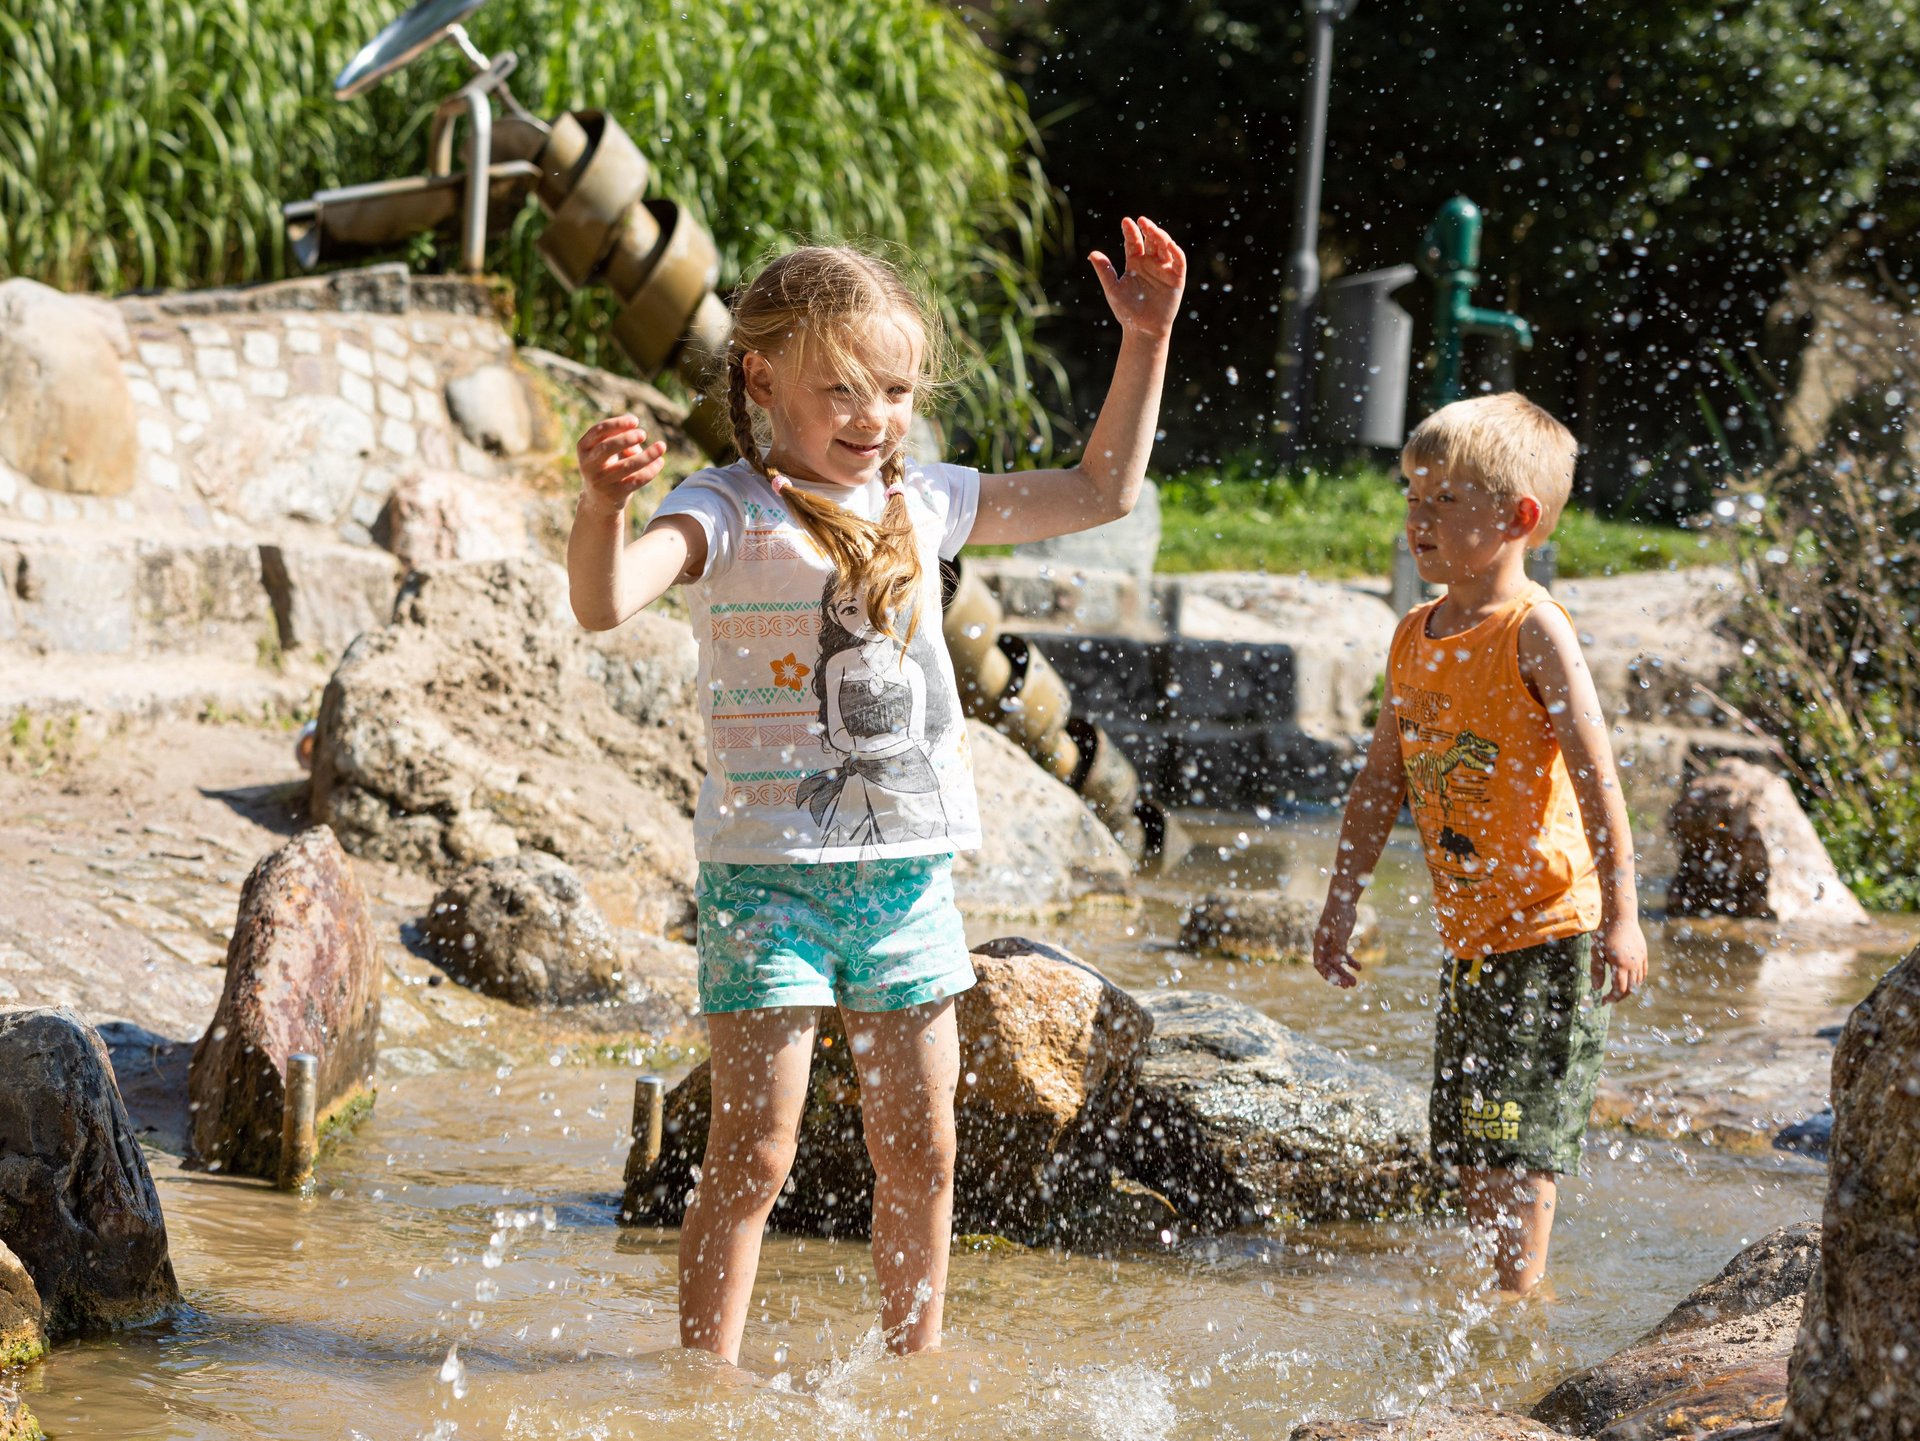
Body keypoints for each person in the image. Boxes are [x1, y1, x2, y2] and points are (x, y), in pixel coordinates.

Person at [567, 219, 1186, 1364]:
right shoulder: (725, 508)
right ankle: (703, 1387)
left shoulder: (924, 500)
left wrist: (1144, 341)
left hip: (904, 881)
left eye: (896, 391)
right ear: (763, 379)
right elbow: (606, 602)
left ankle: (916, 1376)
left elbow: (1103, 489)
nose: (875, 416)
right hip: (768, 885)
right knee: (754, 1153)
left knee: (924, 1152)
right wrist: (603, 511)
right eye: (842, 389)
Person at [1312, 392, 1649, 1298]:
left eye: (1445, 501)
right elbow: (1380, 780)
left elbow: (1598, 777)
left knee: (1521, 1139)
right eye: (1412, 497)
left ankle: (1519, 1303)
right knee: (1468, 1136)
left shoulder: (1534, 631)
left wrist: (1623, 913)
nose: (1419, 519)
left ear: (1517, 518)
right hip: (1469, 937)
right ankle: (1498, 1296)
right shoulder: (1413, 634)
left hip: (1550, 930)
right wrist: (1342, 896)